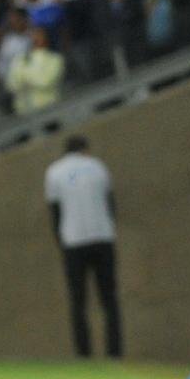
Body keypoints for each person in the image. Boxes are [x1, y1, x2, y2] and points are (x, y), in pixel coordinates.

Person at [45, 135, 122, 358]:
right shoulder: (98, 167)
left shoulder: (54, 172)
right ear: (85, 149)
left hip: (73, 241)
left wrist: (61, 242)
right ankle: (115, 353)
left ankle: (84, 355)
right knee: (110, 299)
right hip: (103, 238)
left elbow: (55, 212)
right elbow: (111, 204)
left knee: (78, 301)